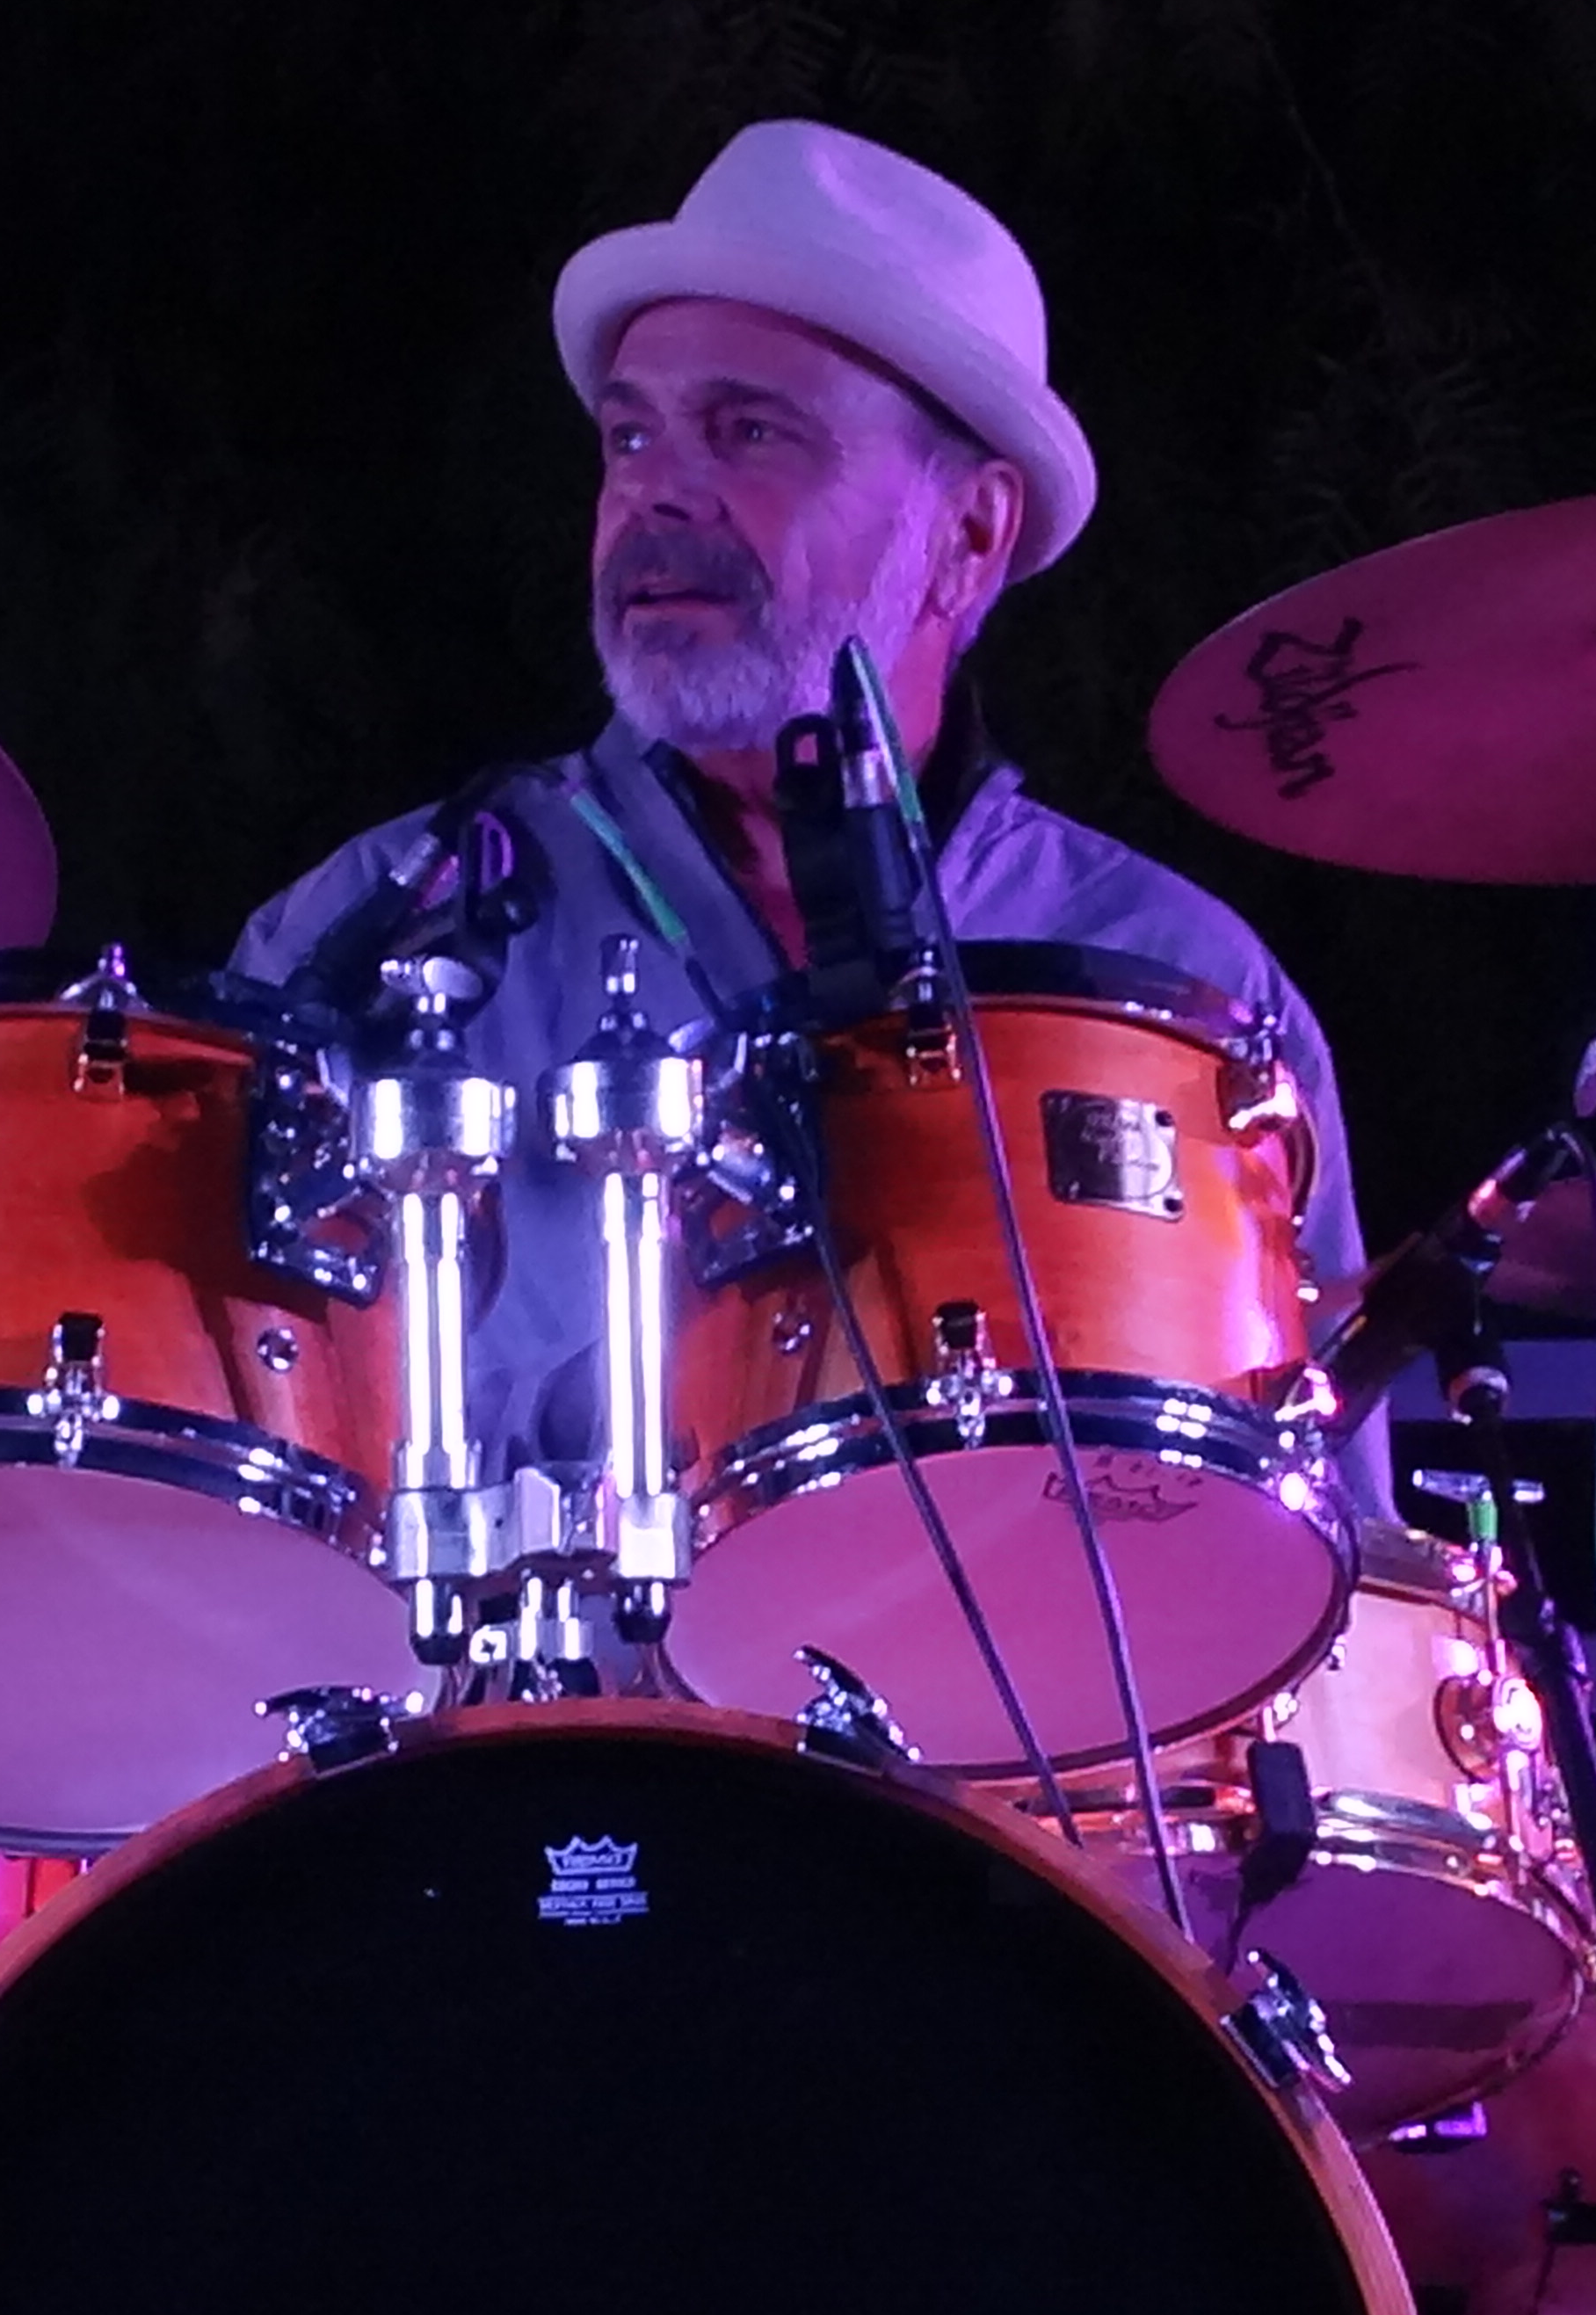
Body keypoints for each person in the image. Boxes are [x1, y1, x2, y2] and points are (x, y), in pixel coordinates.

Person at [230, 117, 1375, 1493]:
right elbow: (227, 1510)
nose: (657, 493)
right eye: (630, 436)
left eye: (750, 433)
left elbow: (1316, 1549)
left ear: (969, 535)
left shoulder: (1177, 987)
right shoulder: (372, 935)